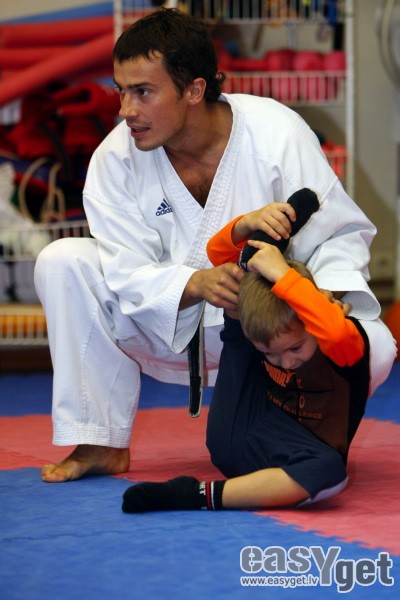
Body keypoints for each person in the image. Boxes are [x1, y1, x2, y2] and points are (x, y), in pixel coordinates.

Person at [34, 8, 396, 483]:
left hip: (273, 337)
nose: (126, 110)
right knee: (62, 259)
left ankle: (301, 429)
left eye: (143, 92)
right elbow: (124, 270)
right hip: (168, 329)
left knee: (375, 344)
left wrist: (318, 299)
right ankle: (100, 441)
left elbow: (338, 234)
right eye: (122, 90)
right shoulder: (114, 160)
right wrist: (196, 283)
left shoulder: (275, 133)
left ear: (193, 89)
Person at [121, 215, 392, 512]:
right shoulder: (265, 343)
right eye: (271, 354)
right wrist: (245, 225)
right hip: (235, 441)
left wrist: (282, 274)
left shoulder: (340, 347)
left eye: (295, 348)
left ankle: (197, 494)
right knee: (238, 317)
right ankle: (245, 488)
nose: (286, 362)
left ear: (315, 321)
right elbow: (220, 256)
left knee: (329, 470)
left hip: (303, 458)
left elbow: (335, 330)